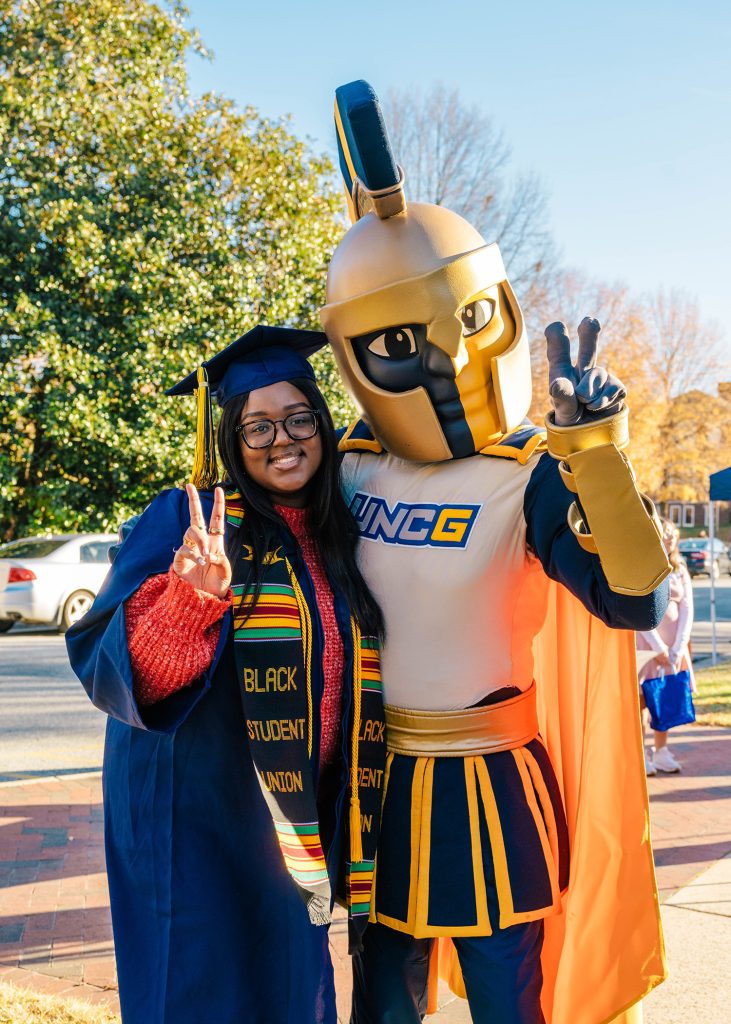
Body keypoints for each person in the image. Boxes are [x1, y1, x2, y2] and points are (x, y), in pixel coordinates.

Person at [319, 80, 671, 1024]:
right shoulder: (345, 467)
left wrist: (595, 453)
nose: (442, 364)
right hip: (377, 781)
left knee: (508, 1007)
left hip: (490, 783)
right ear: (353, 354)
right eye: (400, 343)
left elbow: (633, 597)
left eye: (466, 323)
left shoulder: (527, 472)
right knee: (382, 1010)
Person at [66, 326, 386, 1024]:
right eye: (257, 426)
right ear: (230, 442)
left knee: (295, 989)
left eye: (298, 417)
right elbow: (111, 665)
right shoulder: (189, 520)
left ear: (322, 424)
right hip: (195, 813)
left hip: (292, 817)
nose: (282, 439)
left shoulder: (338, 530)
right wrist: (192, 600)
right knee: (201, 988)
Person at [638, 518, 695, 774]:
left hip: (674, 648)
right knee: (640, 701)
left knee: (666, 696)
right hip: (647, 647)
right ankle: (641, 754)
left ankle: (662, 752)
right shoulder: (642, 566)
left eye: (673, 533)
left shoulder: (680, 569)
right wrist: (658, 647)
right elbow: (638, 612)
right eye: (665, 532)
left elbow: (687, 609)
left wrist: (679, 647)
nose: (670, 537)